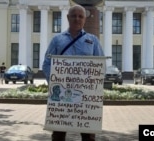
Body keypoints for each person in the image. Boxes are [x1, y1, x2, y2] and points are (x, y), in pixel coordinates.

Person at [42, 4, 104, 141]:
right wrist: (54, 84)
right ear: (67, 17)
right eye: (74, 16)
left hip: (85, 96)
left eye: (80, 16)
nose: (77, 19)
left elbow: (100, 67)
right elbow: (47, 64)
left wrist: (94, 88)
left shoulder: (93, 41)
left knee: (88, 134)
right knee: (58, 134)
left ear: (85, 19)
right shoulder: (57, 40)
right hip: (61, 95)